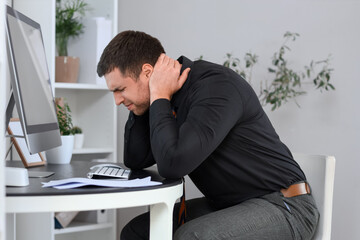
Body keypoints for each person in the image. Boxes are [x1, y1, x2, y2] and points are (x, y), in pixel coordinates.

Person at [97, 30, 319, 240]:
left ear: (147, 72)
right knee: (136, 233)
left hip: (284, 206)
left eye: (120, 89)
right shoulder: (166, 97)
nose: (117, 100)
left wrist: (159, 95)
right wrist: (147, 101)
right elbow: (136, 159)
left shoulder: (216, 87)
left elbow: (173, 164)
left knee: (191, 237)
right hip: (231, 205)